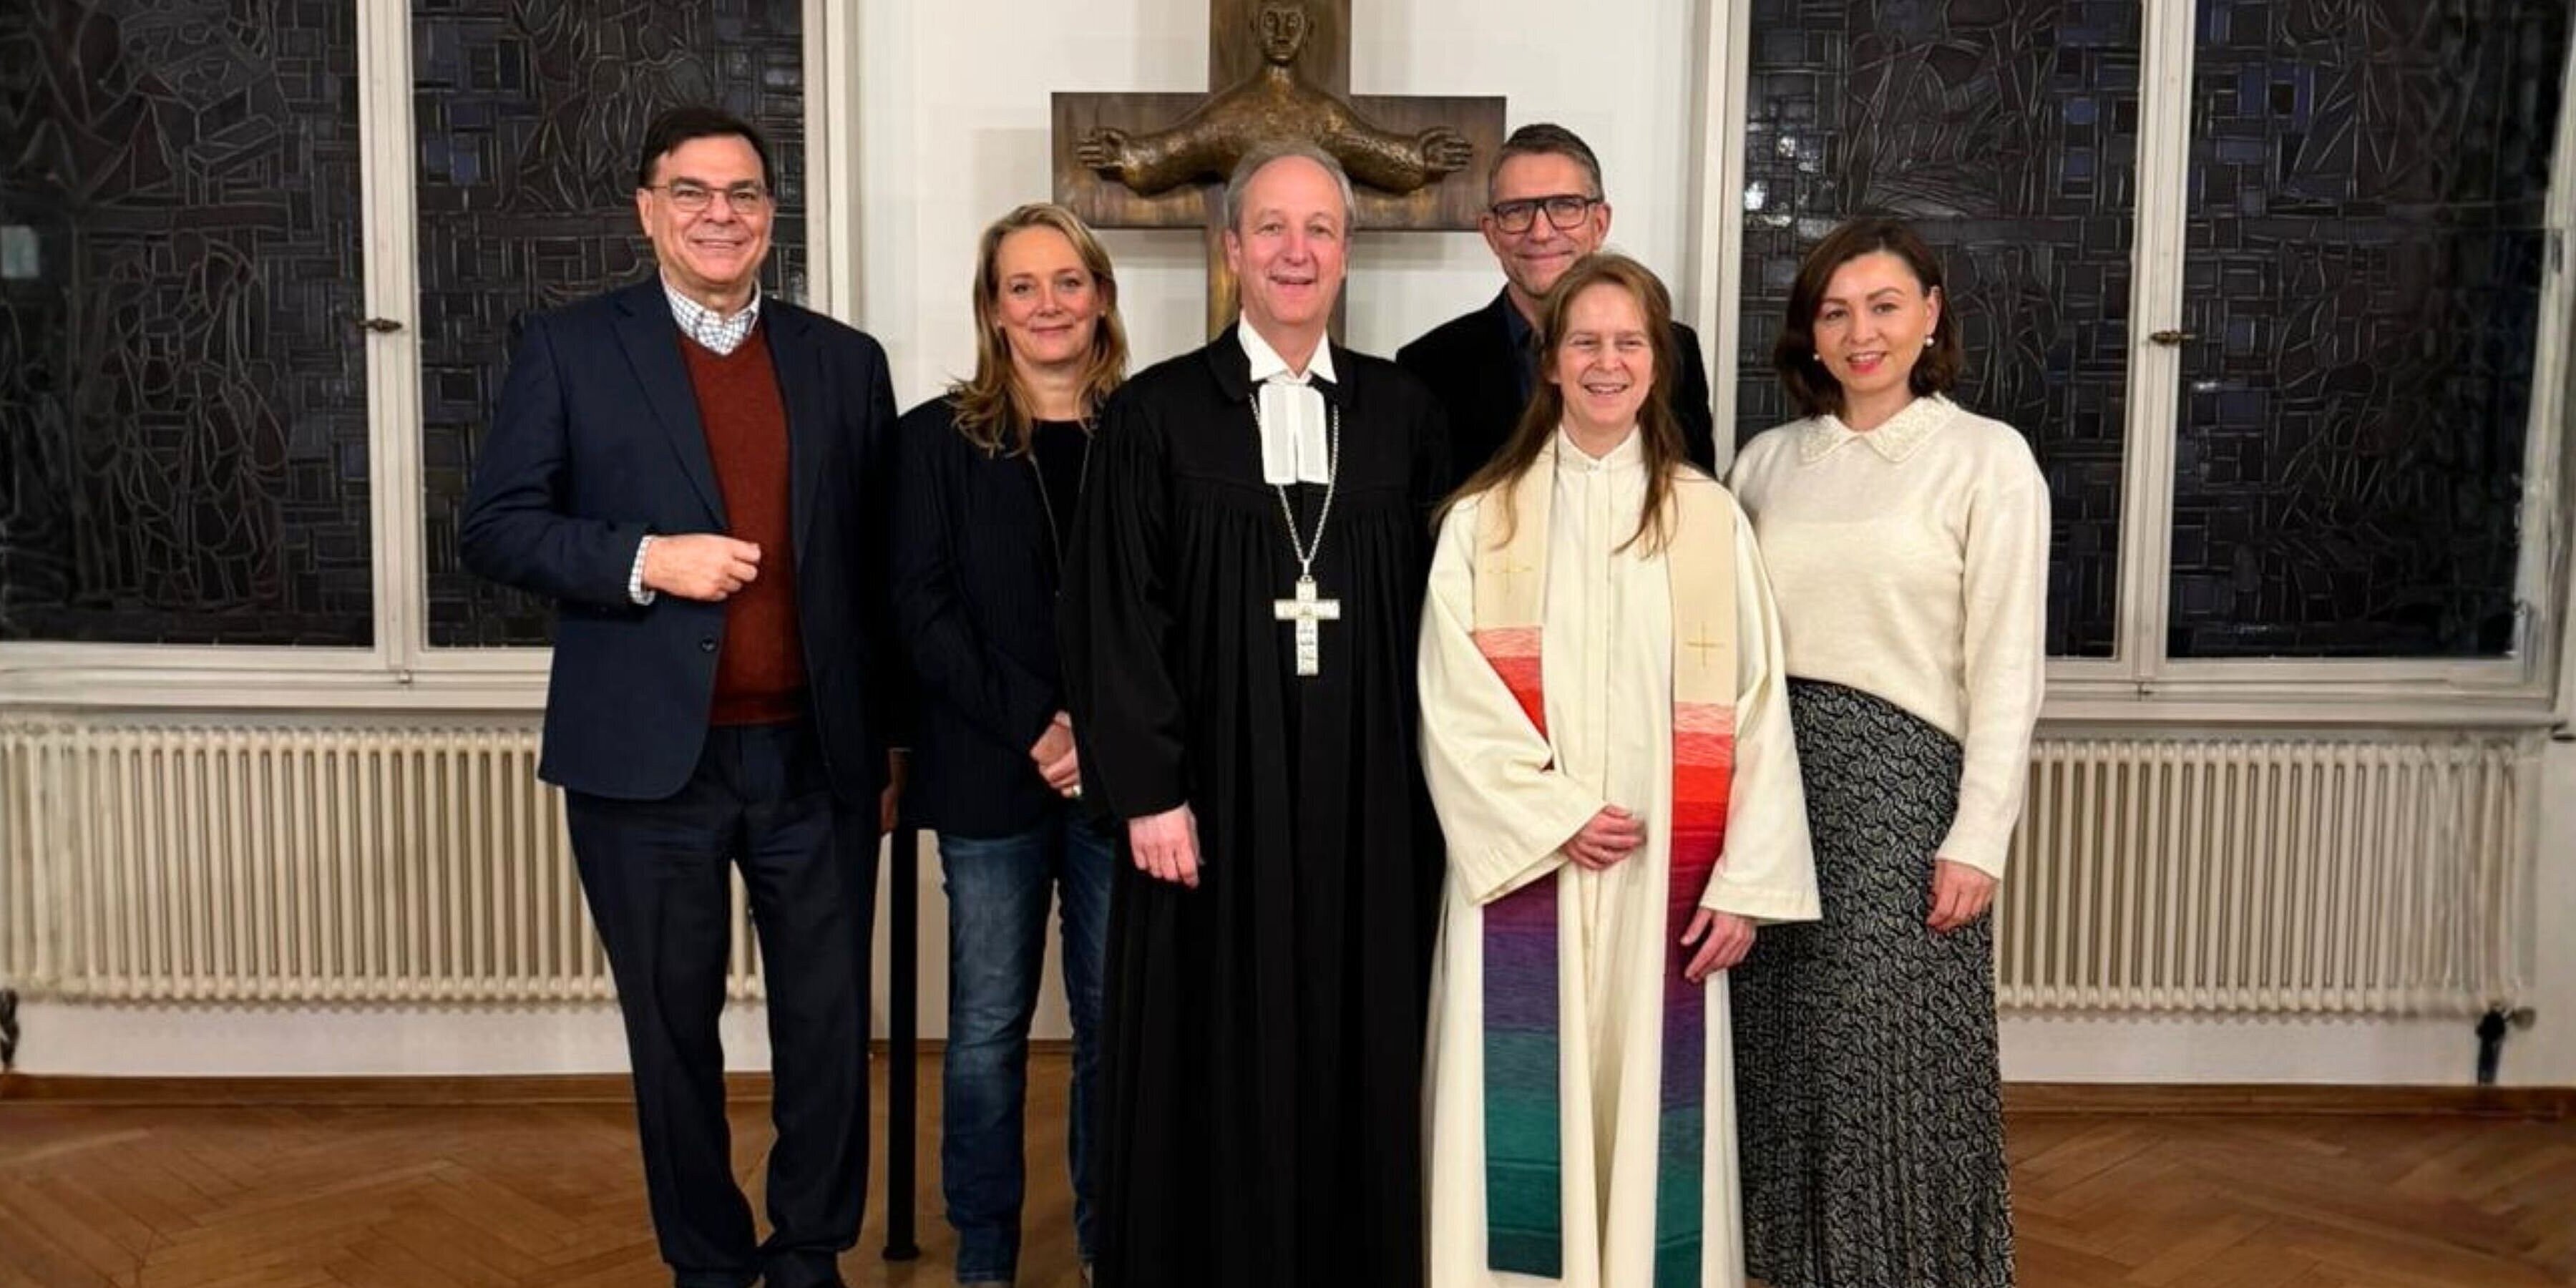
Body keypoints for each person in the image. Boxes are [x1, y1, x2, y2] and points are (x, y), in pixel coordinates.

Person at [459, 106, 903, 1288]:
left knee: (827, 1030)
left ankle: (808, 1254)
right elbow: (496, 528)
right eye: (693, 192)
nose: (721, 214)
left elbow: (878, 570)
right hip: (646, 768)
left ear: (771, 214)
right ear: (648, 210)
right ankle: (707, 1264)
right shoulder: (569, 349)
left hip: (814, 759)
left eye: (744, 193)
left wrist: (892, 745)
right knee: (671, 1035)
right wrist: (646, 559)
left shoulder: (844, 362)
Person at [1058, 140, 1450, 1288]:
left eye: (1320, 228)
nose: (1296, 250)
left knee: (1356, 1028)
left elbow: (1457, 614)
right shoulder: (1157, 416)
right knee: (1208, 1037)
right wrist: (1150, 791)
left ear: (1348, 251)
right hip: (1206, 806)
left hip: (1369, 800)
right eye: (1271, 227)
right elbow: (1113, 616)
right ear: (1231, 249)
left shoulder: (1405, 414)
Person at [1418, 253, 1819, 1288]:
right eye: (1585, 341)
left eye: (1629, 342)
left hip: (1662, 879)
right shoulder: (1484, 521)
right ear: (1549, 361)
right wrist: (1552, 815)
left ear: (1658, 363)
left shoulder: (1709, 520)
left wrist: (1745, 882)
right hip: (1533, 869)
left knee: (1653, 1115)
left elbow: (1758, 708)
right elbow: (1452, 703)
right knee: (1525, 1112)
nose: (1607, 362)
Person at [1727, 216, 2049, 1288]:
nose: (1860, 333)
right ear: (1809, 332)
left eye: (1883, 306)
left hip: (1906, 795)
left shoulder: (1985, 459)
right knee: (1784, 1052)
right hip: (1773, 783)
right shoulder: (1766, 464)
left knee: (1890, 1059)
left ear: (1931, 315)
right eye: (1835, 312)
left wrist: (1980, 835)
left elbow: (2007, 664)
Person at [887, 203, 1128, 1287]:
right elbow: (922, 608)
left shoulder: (1149, 431)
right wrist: (1039, 724)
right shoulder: (931, 441)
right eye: (1021, 286)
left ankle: (1107, 1242)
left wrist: (1098, 731)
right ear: (991, 308)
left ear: (1101, 297)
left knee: (1114, 1027)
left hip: (1120, 782)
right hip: (989, 775)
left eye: (1068, 282)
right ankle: (984, 1255)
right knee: (987, 1029)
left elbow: (1168, 609)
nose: (1047, 305)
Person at [1397, 123, 1716, 485]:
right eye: (1517, 211)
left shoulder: (1673, 350)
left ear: (1600, 224)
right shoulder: (1429, 366)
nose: (1541, 232)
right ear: (1491, 233)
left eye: (1565, 207)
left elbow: (1693, 494)